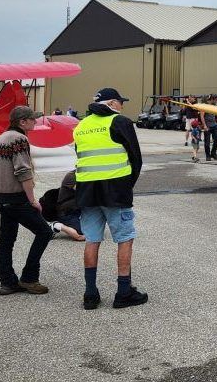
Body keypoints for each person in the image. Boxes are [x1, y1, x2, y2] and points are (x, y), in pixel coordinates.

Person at [74, 87, 146, 310]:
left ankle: (90, 294)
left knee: (92, 240)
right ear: (112, 103)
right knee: (124, 238)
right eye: (120, 102)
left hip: (86, 191)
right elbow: (136, 159)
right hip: (115, 190)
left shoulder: (81, 126)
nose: (122, 106)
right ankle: (123, 291)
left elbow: (81, 155)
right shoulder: (120, 122)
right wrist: (126, 185)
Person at [0, 105, 54, 295]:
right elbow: (23, 171)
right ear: (22, 122)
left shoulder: (1, 138)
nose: (35, 121)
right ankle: (29, 278)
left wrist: (1, 175)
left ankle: (7, 282)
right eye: (32, 119)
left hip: (1, 198)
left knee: (7, 239)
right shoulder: (19, 139)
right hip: (16, 199)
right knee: (44, 232)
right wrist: (32, 200)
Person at [200, 95, 217, 161]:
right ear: (212, 99)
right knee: (207, 142)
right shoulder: (205, 106)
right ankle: (208, 155)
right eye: (216, 100)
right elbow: (202, 116)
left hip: (214, 124)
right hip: (207, 125)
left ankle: (213, 153)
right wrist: (204, 125)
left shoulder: (214, 106)